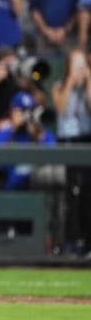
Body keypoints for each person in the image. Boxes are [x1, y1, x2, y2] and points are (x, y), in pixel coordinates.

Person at [51, 48, 91, 255]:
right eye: (75, 65)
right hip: (67, 142)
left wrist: (88, 79)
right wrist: (70, 81)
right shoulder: (59, 86)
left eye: (82, 65)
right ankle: (69, 239)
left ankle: (86, 240)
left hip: (86, 140)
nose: (79, 70)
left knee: (86, 193)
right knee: (70, 193)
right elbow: (61, 108)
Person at [0, 91, 56, 190]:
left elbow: (54, 158)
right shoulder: (3, 134)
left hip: (36, 192)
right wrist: (14, 129)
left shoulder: (41, 134)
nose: (25, 115)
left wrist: (37, 136)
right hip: (7, 193)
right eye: (21, 111)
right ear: (11, 112)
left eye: (29, 111)